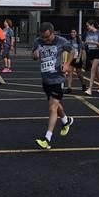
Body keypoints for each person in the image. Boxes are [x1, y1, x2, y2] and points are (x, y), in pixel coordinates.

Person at [33, 22, 74, 150]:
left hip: (58, 78)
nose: (45, 40)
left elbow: (72, 51)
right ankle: (66, 121)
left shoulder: (61, 41)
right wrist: (34, 55)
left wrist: (67, 64)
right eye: (43, 38)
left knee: (52, 107)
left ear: (53, 32)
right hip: (46, 80)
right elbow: (34, 55)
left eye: (48, 37)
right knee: (55, 106)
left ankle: (47, 138)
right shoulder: (38, 41)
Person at [84, 21, 99, 96]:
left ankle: (90, 89)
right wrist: (87, 42)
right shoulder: (88, 33)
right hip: (91, 51)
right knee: (96, 70)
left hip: (98, 51)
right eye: (86, 26)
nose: (87, 27)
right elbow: (86, 42)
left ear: (92, 25)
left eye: (88, 26)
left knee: (93, 69)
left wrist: (96, 43)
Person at [66, 28, 86, 93]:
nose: (73, 33)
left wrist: (78, 58)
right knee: (70, 73)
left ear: (76, 33)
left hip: (77, 58)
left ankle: (83, 84)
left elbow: (80, 50)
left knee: (79, 74)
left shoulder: (79, 41)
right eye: (72, 32)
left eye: (74, 32)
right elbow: (68, 50)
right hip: (71, 58)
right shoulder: (69, 41)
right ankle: (69, 88)